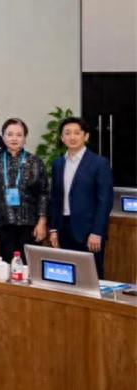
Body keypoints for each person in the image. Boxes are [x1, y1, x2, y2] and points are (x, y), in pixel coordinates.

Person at [48, 117, 114, 278]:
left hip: (89, 232)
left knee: (91, 276)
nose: (72, 137)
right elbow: (55, 199)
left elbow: (105, 200)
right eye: (67, 133)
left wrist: (97, 232)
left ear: (86, 136)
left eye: (77, 133)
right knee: (67, 276)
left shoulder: (99, 163)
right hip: (64, 229)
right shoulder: (58, 164)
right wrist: (54, 229)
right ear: (62, 138)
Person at [0, 118, 49, 262]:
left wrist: (42, 223)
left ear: (25, 138)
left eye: (19, 135)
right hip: (2, 223)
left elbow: (43, 194)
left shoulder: (35, 162)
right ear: (3, 137)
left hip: (30, 225)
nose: (14, 138)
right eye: (10, 134)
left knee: (29, 265)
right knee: (5, 265)